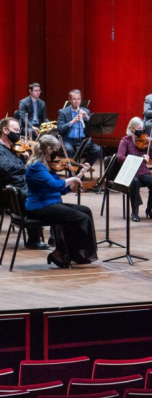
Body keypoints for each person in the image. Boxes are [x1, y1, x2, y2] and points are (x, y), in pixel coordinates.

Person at [24, 135, 97, 267]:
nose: (58, 153)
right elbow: (54, 185)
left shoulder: (49, 166)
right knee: (81, 218)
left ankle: (73, 252)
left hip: (51, 203)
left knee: (85, 211)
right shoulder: (36, 166)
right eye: (56, 149)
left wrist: (79, 174)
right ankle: (61, 252)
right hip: (39, 207)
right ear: (48, 149)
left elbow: (62, 190)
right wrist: (72, 180)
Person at [0, 117, 48, 249]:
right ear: (5, 130)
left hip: (21, 186)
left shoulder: (15, 149)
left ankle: (56, 235)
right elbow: (7, 168)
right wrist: (27, 166)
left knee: (48, 190)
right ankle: (34, 238)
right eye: (15, 130)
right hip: (7, 192)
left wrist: (28, 157)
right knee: (35, 196)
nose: (18, 133)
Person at [116, 117, 152, 222]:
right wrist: (139, 159)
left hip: (142, 172)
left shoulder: (144, 141)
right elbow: (119, 158)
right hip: (130, 173)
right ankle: (135, 211)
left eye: (142, 128)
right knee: (135, 182)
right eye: (139, 128)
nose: (141, 130)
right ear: (132, 128)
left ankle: (149, 209)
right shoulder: (125, 141)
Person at [57, 89, 101, 167]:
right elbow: (60, 128)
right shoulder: (63, 112)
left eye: (78, 99)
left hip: (83, 139)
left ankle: (82, 168)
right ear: (70, 100)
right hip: (69, 140)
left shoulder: (86, 111)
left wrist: (87, 117)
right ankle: (73, 173)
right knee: (69, 150)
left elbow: (92, 128)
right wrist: (72, 122)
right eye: (74, 99)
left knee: (97, 150)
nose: (76, 101)